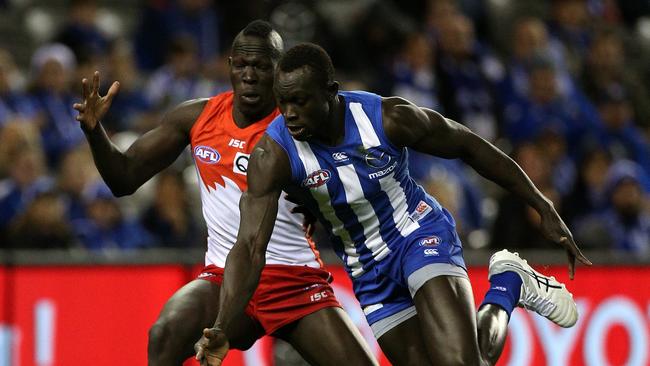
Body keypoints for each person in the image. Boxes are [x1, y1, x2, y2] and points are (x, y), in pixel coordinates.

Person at [196, 43, 591, 366]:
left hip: (417, 234)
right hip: (368, 269)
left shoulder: (387, 118)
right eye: (283, 103)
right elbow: (249, 248)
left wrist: (542, 205)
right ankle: (508, 283)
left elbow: (468, 145)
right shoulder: (273, 154)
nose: (289, 114)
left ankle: (507, 284)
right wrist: (223, 327)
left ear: (331, 93)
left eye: (300, 101)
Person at [73, 22, 377, 366]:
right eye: (241, 65)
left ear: (279, 72)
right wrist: (95, 131)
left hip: (293, 281)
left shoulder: (300, 125)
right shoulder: (197, 117)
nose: (249, 75)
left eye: (261, 67)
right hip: (223, 277)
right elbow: (123, 179)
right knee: (165, 333)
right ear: (228, 65)